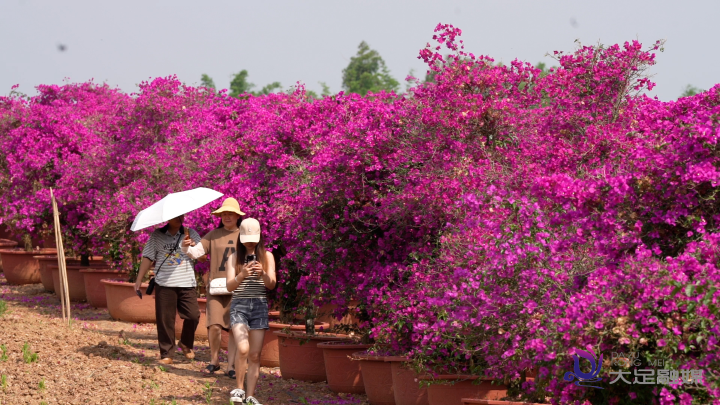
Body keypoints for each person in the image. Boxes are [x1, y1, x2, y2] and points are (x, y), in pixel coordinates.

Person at [181, 197, 244, 377]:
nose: (227, 216)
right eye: (224, 214)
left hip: (238, 288)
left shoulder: (243, 235)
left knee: (234, 327)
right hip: (216, 288)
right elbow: (196, 253)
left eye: (231, 213)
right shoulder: (212, 235)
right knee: (214, 325)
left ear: (237, 216)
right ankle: (214, 361)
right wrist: (185, 248)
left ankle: (230, 366)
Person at [134, 214, 202, 364]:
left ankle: (185, 343)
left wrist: (192, 247)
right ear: (167, 217)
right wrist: (139, 279)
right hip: (164, 283)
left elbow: (202, 257)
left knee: (193, 315)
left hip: (187, 283)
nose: (179, 218)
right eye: (175, 216)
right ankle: (167, 354)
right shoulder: (157, 235)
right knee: (165, 320)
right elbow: (148, 257)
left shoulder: (190, 232)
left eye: (181, 215)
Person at [225, 218, 276, 404]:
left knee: (255, 354)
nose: (249, 242)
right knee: (243, 348)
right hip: (239, 304)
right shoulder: (233, 257)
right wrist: (242, 275)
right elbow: (229, 286)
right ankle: (238, 388)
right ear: (240, 236)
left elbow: (272, 284)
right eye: (246, 238)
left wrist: (262, 273)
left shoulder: (267, 256)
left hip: (260, 306)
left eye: (253, 238)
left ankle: (250, 395)